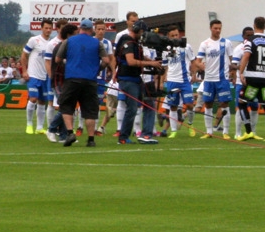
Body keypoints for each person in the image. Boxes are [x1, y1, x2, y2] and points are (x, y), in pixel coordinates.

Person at [53, 19, 110, 147]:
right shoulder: (97, 43)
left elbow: (57, 59)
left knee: (67, 106)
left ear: (80, 29)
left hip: (72, 78)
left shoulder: (68, 41)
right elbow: (106, 60)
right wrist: (97, 70)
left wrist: (67, 65)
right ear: (92, 30)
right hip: (90, 80)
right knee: (89, 110)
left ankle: (69, 133)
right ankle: (91, 139)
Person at [116, 20, 164, 145]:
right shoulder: (128, 42)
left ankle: (146, 134)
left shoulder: (135, 43)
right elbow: (131, 61)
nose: (143, 36)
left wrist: (153, 62)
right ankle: (123, 137)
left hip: (136, 79)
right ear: (139, 31)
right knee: (131, 108)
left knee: (149, 102)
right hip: (127, 79)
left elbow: (140, 57)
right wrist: (150, 63)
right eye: (143, 33)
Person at [238, 17, 265, 141]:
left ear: (254, 25)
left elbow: (246, 56)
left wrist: (240, 72)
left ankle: (249, 131)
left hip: (253, 78)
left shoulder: (250, 40)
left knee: (242, 103)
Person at [196, 19, 234, 140]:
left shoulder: (226, 43)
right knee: (208, 104)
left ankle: (226, 132)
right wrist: (200, 65)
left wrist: (233, 73)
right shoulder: (204, 44)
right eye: (215, 28)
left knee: (224, 103)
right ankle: (209, 131)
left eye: (219, 28)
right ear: (210, 28)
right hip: (209, 79)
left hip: (222, 79)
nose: (218, 30)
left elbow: (232, 60)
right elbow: (198, 61)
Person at [159, 27, 198, 139]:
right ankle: (174, 131)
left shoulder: (186, 46)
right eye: (173, 36)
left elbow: (193, 61)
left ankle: (190, 125)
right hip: (172, 80)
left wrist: (194, 74)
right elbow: (165, 67)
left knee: (189, 105)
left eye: (177, 35)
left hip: (185, 80)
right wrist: (162, 82)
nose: (176, 37)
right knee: (173, 106)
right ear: (169, 37)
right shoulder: (165, 50)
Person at [21, 19, 53, 135]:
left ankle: (39, 127)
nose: (48, 30)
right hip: (33, 75)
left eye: (50, 28)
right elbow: (24, 55)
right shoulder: (34, 40)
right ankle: (29, 124)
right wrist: (25, 71)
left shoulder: (52, 43)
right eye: (46, 28)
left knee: (42, 102)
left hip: (45, 76)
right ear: (42, 28)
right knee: (33, 99)